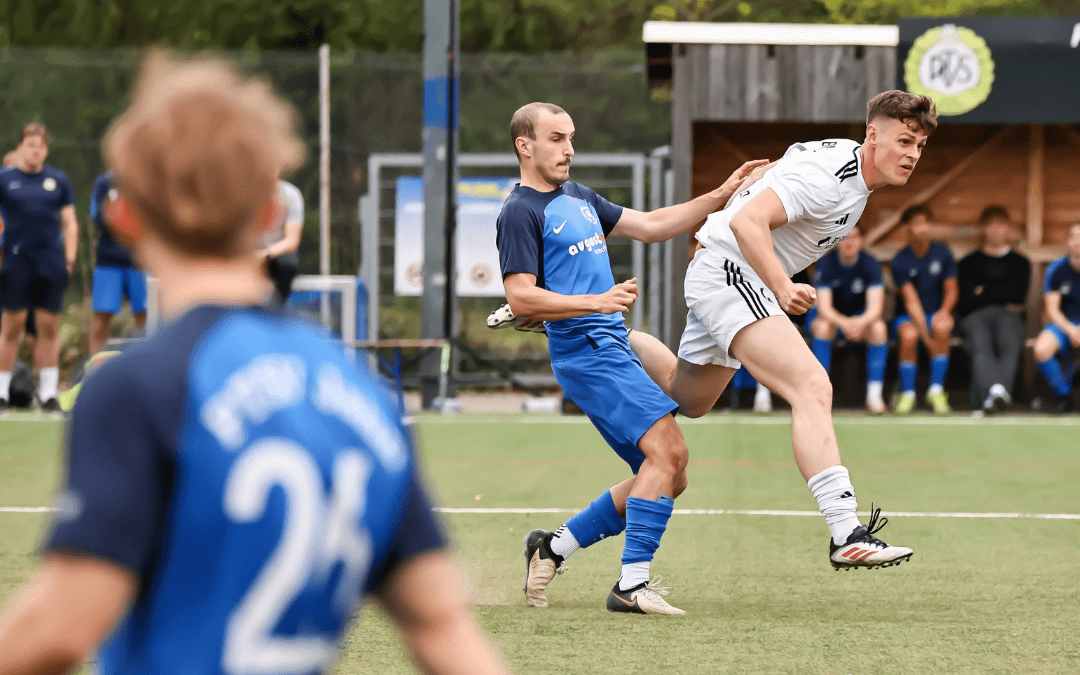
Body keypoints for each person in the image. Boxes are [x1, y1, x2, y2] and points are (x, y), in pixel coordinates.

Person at [0, 53, 509, 675]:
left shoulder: (138, 386)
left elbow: (58, 629)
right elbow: (444, 631)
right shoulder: (364, 391)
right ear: (270, 214)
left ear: (122, 216)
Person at [628, 90, 935, 571]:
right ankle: (845, 531)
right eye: (905, 140)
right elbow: (751, 221)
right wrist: (780, 284)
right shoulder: (833, 179)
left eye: (919, 145)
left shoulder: (845, 167)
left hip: (724, 270)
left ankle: (595, 327)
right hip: (733, 272)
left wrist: (755, 182)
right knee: (812, 385)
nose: (913, 154)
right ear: (873, 134)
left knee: (689, 399)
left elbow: (785, 163)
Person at [496, 101, 766, 615]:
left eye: (571, 137)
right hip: (587, 350)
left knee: (667, 473)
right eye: (555, 138)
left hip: (613, 341)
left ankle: (552, 548)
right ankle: (631, 586)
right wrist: (596, 302)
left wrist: (719, 195)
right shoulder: (520, 211)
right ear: (524, 145)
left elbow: (652, 224)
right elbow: (521, 299)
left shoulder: (576, 196)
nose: (568, 149)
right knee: (669, 453)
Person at [0, 123, 78, 414]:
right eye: (30, 144)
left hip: (50, 263)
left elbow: (70, 222)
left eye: (41, 145)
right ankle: (1, 394)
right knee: (12, 327)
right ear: (20, 146)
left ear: (46, 150)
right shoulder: (5, 179)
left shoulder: (58, 181)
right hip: (15, 262)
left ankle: (48, 395)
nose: (36, 149)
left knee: (48, 329)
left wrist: (69, 258)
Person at [956, 206, 1031, 414]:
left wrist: (983, 291)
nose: (996, 230)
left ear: (1007, 229)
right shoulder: (969, 262)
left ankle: (992, 398)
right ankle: (999, 393)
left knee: (1011, 342)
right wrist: (1000, 294)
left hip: (1008, 315)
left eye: (1001, 225)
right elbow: (965, 302)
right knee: (980, 342)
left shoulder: (1020, 263)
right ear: (984, 229)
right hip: (975, 316)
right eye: (991, 225)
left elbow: (1018, 297)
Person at [810, 225, 888, 413]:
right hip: (834, 321)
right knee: (822, 327)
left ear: (861, 240)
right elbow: (824, 308)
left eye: (854, 237)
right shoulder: (825, 264)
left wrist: (858, 323)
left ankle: (874, 396)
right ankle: (820, 395)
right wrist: (845, 324)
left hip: (861, 321)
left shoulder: (871, 264)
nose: (849, 242)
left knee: (879, 329)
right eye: (844, 237)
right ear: (837, 241)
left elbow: (876, 308)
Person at [889, 205, 958, 414]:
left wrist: (944, 311)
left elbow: (952, 289)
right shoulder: (900, 259)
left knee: (942, 327)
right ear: (907, 228)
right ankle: (908, 394)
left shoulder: (943, 252)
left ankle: (936, 390)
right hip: (908, 316)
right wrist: (926, 339)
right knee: (909, 336)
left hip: (936, 312)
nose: (922, 228)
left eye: (925, 223)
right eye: (917, 224)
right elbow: (911, 302)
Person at [88, 171, 148, 354]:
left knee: (146, 319)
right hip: (109, 262)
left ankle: (146, 369)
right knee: (101, 320)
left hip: (141, 262)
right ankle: (93, 369)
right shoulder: (104, 182)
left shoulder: (149, 178)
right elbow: (97, 217)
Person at [1033, 223, 1080, 412]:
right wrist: (1071, 330)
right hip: (1063, 324)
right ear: (1067, 242)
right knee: (1041, 349)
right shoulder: (1056, 269)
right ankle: (1064, 395)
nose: (1078, 241)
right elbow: (1052, 309)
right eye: (1073, 237)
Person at [262, 179, 304, 303]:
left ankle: (277, 307)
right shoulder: (240, 192)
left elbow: (292, 241)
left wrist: (264, 255)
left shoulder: (290, 194)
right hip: (245, 252)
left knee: (288, 261)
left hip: (275, 256)